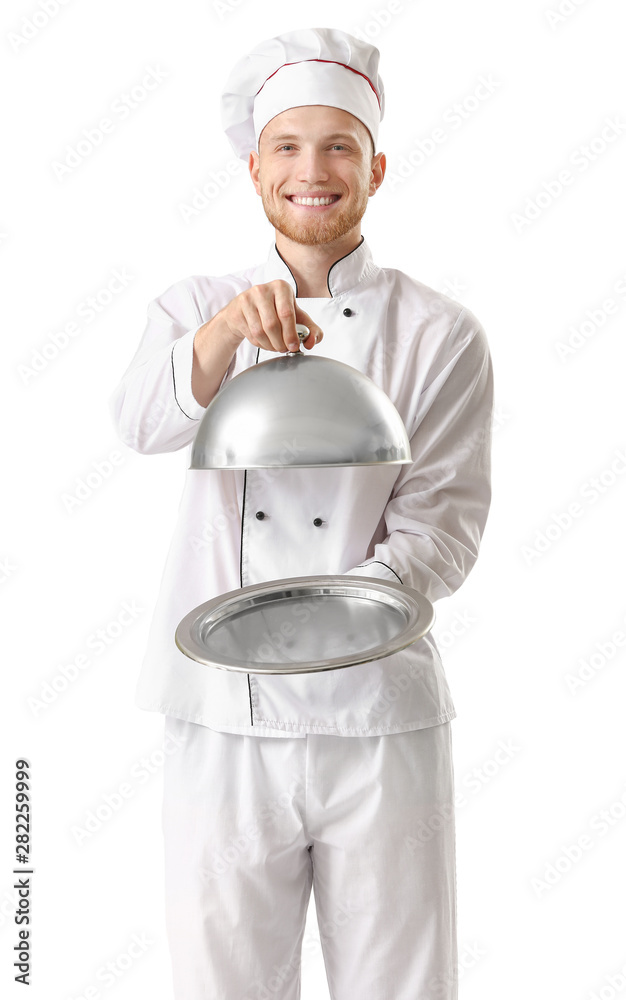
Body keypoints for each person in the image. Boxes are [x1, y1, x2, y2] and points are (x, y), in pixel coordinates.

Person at [110, 26, 494, 1000]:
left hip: (377, 716)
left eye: (334, 147)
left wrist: (337, 620)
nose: (309, 171)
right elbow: (139, 419)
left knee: (400, 986)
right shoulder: (195, 305)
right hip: (219, 717)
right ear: (252, 168)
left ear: (374, 166)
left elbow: (439, 522)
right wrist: (224, 335)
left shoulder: (438, 331)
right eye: (286, 147)